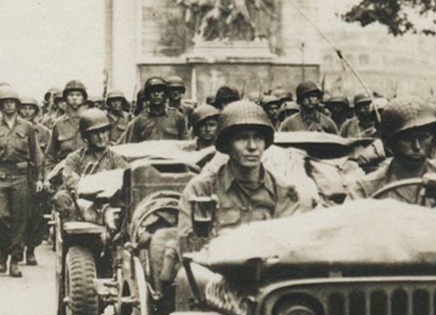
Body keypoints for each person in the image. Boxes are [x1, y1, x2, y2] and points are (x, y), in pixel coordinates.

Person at [143, 101, 315, 298]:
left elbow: (289, 248)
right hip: (213, 280)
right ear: (227, 145)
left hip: (267, 283)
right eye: (243, 138)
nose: (252, 146)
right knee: (189, 278)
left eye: (258, 138)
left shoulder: (283, 190)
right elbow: (190, 250)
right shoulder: (201, 189)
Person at [0, 84, 42, 278]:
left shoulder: (27, 127)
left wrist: (39, 178)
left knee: (20, 220)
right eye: (5, 103)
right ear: (0, 106)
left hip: (21, 176)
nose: (9, 106)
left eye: (13, 102)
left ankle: (14, 260)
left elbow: (37, 155)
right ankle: (3, 251)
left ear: (18, 105)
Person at [351, 98, 436, 206]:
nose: (416, 146)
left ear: (433, 139)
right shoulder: (366, 188)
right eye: (407, 139)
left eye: (423, 137)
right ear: (391, 142)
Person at [53, 109, 130, 220]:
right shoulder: (75, 158)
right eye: (95, 133)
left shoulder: (115, 158)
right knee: (61, 198)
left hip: (107, 199)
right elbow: (70, 180)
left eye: (104, 131)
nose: (101, 137)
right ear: (86, 137)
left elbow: (125, 177)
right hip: (81, 199)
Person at [126, 76, 188, 142]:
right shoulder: (139, 120)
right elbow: (133, 147)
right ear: (147, 96)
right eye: (152, 91)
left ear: (166, 94)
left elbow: (186, 144)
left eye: (160, 91)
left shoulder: (177, 117)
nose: (156, 94)